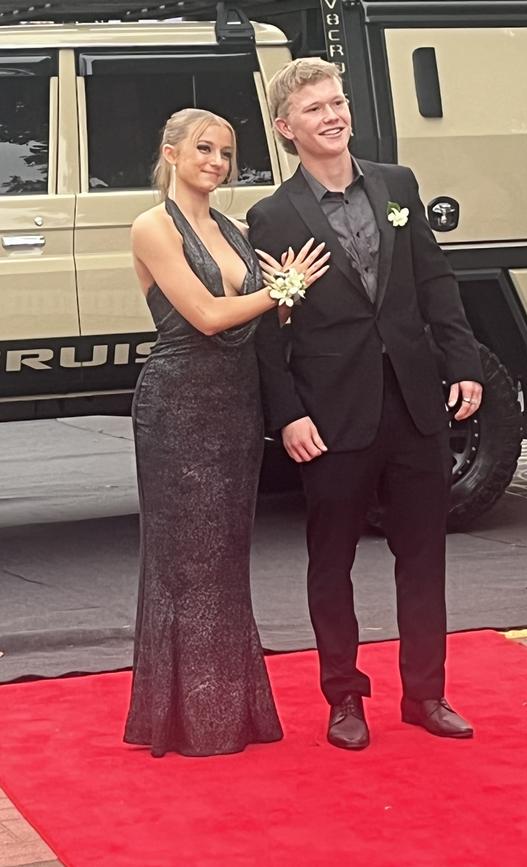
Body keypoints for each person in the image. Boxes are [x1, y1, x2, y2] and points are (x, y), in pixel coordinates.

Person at [248, 59, 484, 751]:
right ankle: (343, 697)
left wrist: (463, 363)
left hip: (414, 405)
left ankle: (426, 693)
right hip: (330, 416)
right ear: (286, 128)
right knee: (332, 563)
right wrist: (287, 414)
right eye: (314, 108)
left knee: (423, 556)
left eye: (338, 101)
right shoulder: (271, 216)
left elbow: (436, 282)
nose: (333, 115)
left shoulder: (397, 186)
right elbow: (268, 329)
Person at [123, 107, 328, 757]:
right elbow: (209, 314)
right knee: (187, 563)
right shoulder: (152, 226)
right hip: (177, 409)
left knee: (225, 562)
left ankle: (228, 710)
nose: (216, 161)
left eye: (227, 152)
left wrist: (288, 295)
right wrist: (284, 287)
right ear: (172, 153)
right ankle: (186, 719)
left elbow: (262, 320)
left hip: (234, 409)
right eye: (204, 149)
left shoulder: (235, 230)